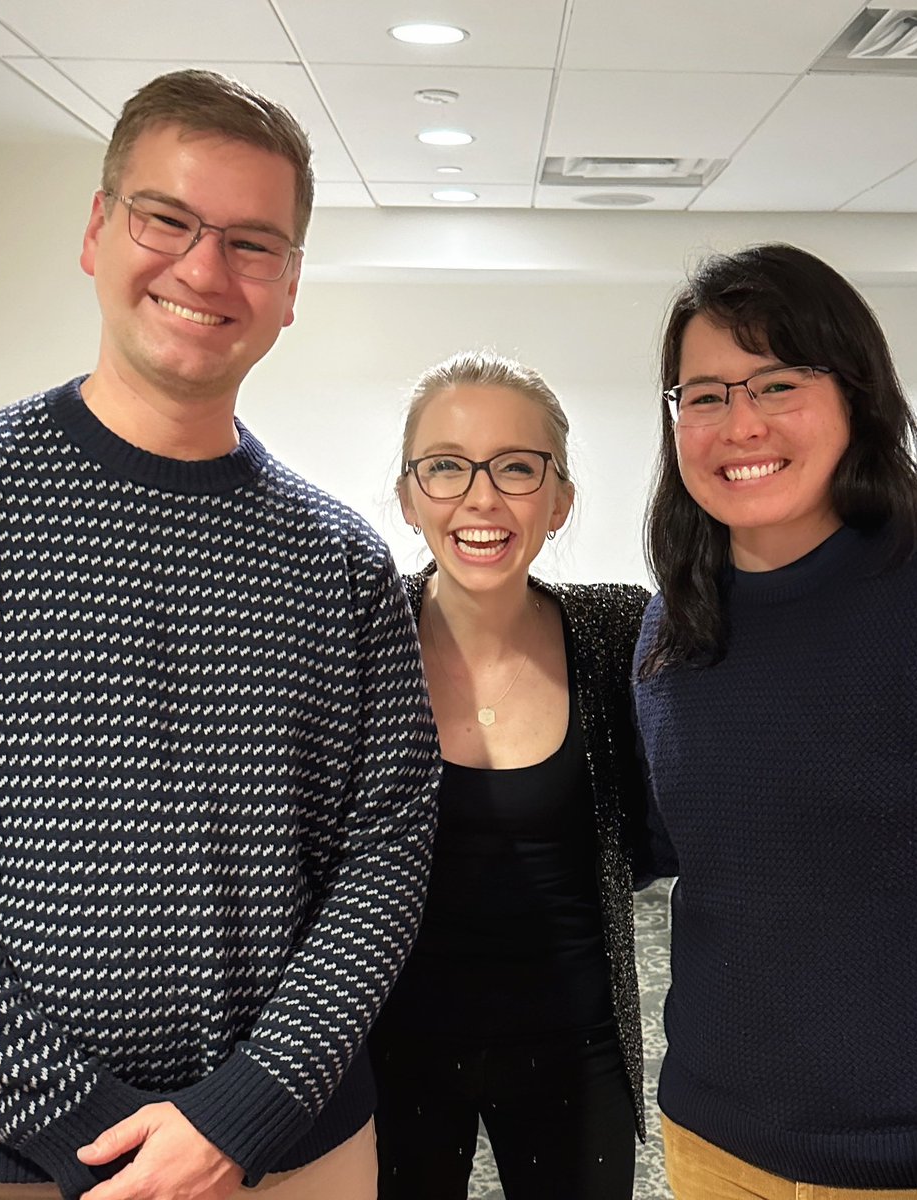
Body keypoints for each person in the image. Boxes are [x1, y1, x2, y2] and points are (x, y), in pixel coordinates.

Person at [0, 69, 439, 1200]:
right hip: (7, 1159)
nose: (203, 269)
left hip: (291, 1151)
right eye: (166, 219)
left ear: (290, 288)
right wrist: (83, 1126)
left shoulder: (340, 557)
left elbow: (388, 847)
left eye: (253, 243)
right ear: (96, 229)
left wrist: (241, 1115)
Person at [633, 242, 917, 1199]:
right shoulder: (674, 619)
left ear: (856, 397)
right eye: (703, 395)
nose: (737, 423)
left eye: (776, 383)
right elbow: (688, 852)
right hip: (710, 1140)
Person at [368, 350, 651, 1200]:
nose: (480, 498)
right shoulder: (361, 640)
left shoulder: (617, 631)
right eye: (447, 467)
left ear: (560, 500)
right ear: (409, 496)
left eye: (517, 468)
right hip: (391, 1050)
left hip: (574, 1047)